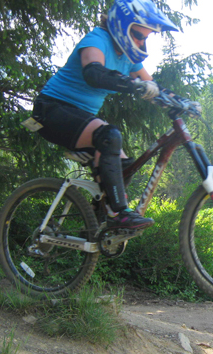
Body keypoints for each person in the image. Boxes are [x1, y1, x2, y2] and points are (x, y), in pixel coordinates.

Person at [29, 0, 180, 231]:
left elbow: (154, 87)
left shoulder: (129, 58)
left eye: (146, 38)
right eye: (139, 35)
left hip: (79, 117)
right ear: (122, 27)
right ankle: (118, 213)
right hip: (51, 110)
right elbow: (94, 72)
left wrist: (181, 102)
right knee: (109, 135)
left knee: (124, 166)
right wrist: (133, 84)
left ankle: (96, 220)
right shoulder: (97, 40)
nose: (142, 42)